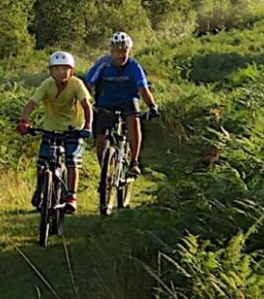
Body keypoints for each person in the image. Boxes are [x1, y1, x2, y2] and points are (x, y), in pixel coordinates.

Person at [16, 51, 94, 214]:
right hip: (51, 128)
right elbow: (31, 104)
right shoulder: (47, 85)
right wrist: (24, 121)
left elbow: (87, 105)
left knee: (72, 161)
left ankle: (71, 197)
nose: (61, 72)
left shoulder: (77, 84)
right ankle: (40, 190)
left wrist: (88, 126)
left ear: (71, 71)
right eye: (57, 69)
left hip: (74, 129)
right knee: (42, 162)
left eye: (65, 69)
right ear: (51, 71)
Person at [84, 31, 160, 178]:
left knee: (134, 122)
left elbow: (143, 89)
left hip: (128, 101)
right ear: (111, 51)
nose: (121, 55)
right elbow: (88, 84)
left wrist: (152, 106)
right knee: (100, 139)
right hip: (105, 102)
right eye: (117, 51)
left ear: (129, 50)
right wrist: (85, 101)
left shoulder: (134, 67)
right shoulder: (103, 64)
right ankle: (105, 171)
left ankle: (134, 162)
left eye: (124, 51)